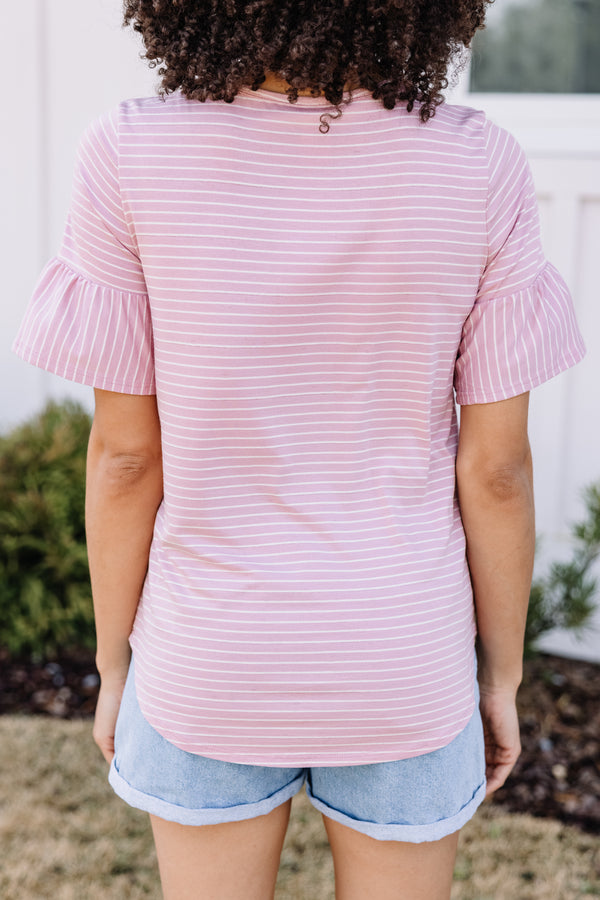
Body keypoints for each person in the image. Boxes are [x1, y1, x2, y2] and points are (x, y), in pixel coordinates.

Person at [13, 1, 585, 897]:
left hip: (208, 659)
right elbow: (497, 472)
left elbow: (126, 459)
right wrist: (501, 673)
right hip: (406, 659)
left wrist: (117, 661)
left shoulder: (128, 152)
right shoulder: (478, 162)